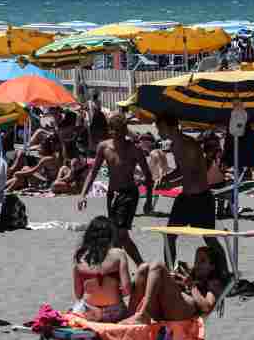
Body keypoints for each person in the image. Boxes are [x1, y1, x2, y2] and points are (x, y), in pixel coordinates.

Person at [79, 113, 154, 265]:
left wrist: (149, 201)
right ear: (110, 130)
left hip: (129, 194)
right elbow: (93, 172)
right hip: (112, 195)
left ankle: (137, 266)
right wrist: (83, 194)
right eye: (115, 130)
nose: (119, 134)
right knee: (116, 235)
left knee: (120, 234)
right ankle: (123, 269)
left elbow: (148, 176)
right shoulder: (103, 147)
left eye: (122, 130)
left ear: (125, 130)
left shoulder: (134, 149)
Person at [155, 111, 225, 264]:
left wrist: (170, 184)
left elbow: (192, 174)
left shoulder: (189, 145)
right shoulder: (175, 146)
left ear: (170, 126)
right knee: (169, 236)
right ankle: (170, 274)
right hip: (185, 198)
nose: (158, 131)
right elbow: (181, 169)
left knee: (210, 239)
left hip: (201, 198)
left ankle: (224, 271)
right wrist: (165, 178)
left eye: (160, 127)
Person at [122, 246, 230, 325]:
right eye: (196, 260)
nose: (197, 264)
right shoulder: (191, 273)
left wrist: (191, 286)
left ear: (212, 266)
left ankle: (142, 315)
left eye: (202, 261)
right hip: (170, 307)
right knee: (143, 268)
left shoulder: (214, 283)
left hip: (185, 313)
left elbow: (206, 307)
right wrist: (173, 281)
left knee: (158, 266)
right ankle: (131, 315)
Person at [72, 216, 132, 323]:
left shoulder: (80, 256)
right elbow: (127, 290)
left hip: (89, 312)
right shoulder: (118, 254)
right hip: (114, 312)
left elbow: (78, 294)